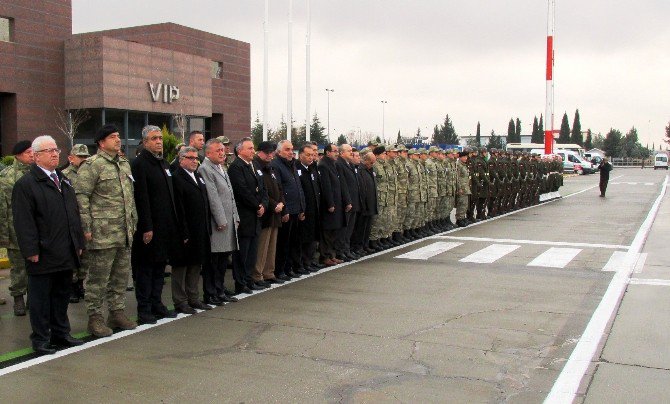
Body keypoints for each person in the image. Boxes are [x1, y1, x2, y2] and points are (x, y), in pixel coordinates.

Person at [12, 135, 85, 355]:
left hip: (65, 250)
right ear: (35, 156)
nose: (55, 154)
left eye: (56, 150)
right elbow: (23, 221)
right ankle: (41, 338)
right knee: (40, 300)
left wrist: (78, 242)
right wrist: (31, 250)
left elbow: (73, 214)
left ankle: (61, 334)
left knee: (61, 296)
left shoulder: (63, 179)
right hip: (43, 253)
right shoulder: (26, 184)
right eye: (49, 151)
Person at [75, 124, 138, 337]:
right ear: (101, 142)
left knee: (121, 276)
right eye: (113, 137)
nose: (118, 140)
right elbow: (81, 196)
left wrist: (134, 222)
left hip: (124, 231)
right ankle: (95, 318)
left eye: (119, 136)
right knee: (98, 280)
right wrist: (86, 228)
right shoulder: (92, 165)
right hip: (102, 233)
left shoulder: (123, 163)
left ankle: (116, 312)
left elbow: (129, 197)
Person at [131, 125, 181, 324]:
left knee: (160, 268)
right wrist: (147, 227)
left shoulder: (164, 164)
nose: (159, 141)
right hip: (149, 228)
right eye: (154, 138)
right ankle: (144, 309)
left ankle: (156, 303)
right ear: (145, 142)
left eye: (160, 138)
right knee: (146, 269)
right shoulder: (140, 164)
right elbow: (141, 197)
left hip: (165, 227)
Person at [171, 147, 214, 314]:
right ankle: (180, 301)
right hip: (186, 230)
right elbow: (179, 208)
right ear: (181, 159)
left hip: (200, 229)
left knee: (196, 264)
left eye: (196, 158)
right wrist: (184, 232)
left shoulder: (197, 176)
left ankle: (193, 297)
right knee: (181, 267)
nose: (195, 161)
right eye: (190, 158)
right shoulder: (177, 178)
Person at [198, 138, 239, 304]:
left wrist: (235, 216)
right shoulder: (205, 169)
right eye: (218, 151)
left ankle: (220, 289)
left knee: (223, 260)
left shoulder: (221, 167)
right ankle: (211, 292)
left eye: (223, 150)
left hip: (228, 221)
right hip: (218, 224)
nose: (222, 153)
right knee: (213, 261)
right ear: (208, 153)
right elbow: (213, 197)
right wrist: (221, 220)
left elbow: (230, 195)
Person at [227, 138, 269, 294]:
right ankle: (240, 282)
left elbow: (263, 188)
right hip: (245, 216)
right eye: (250, 148)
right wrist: (257, 205)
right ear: (240, 151)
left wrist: (264, 204)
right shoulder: (236, 167)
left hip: (256, 216)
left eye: (253, 148)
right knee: (242, 252)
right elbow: (242, 190)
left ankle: (249, 279)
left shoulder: (254, 165)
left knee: (252, 252)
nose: (253, 151)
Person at [0, 140, 34, 315]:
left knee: (36, 265)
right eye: (28, 152)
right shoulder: (7, 177)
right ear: (18, 155)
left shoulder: (37, 173)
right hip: (16, 230)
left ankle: (33, 297)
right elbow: (3, 208)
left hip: (36, 229)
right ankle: (18, 298)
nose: (32, 155)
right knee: (19, 267)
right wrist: (4, 235)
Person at [270, 140, 307, 277]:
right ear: (278, 152)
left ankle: (289, 267)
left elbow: (298, 187)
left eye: (291, 149)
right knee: (283, 243)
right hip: (286, 211)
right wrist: (284, 210)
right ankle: (280, 270)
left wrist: (302, 207)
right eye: (287, 149)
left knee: (293, 242)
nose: (291, 152)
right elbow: (279, 190)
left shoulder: (291, 165)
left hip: (296, 209)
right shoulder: (276, 165)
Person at [61, 143, 90, 303]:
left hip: (86, 221)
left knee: (85, 258)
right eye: (80, 156)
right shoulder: (64, 175)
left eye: (86, 156)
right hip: (71, 222)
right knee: (73, 256)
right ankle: (72, 286)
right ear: (71, 158)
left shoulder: (90, 173)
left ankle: (80, 284)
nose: (84, 159)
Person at [253, 141, 285, 285]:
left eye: (272, 153)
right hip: (266, 212)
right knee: (262, 246)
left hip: (276, 212)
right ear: (259, 152)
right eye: (267, 153)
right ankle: (258, 274)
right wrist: (274, 205)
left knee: (271, 246)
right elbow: (262, 190)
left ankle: (269, 272)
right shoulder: (256, 166)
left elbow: (279, 188)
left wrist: (282, 203)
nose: (270, 155)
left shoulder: (270, 167)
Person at [318, 144, 350, 265]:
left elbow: (340, 185)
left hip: (337, 204)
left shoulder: (334, 164)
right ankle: (325, 256)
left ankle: (332, 255)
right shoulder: (323, 166)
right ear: (327, 152)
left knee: (334, 232)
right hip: (329, 206)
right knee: (327, 233)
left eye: (337, 151)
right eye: (334, 151)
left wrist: (346, 201)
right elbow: (326, 187)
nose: (337, 153)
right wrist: (330, 203)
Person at [296, 143, 322, 272]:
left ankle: (309, 261)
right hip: (304, 210)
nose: (311, 157)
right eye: (308, 155)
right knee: (303, 238)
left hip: (314, 209)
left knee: (312, 236)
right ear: (300, 155)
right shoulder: (297, 168)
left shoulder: (312, 168)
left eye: (312, 155)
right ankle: (301, 262)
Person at [335, 144, 359, 260]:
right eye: (349, 151)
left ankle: (346, 249)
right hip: (347, 203)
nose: (352, 153)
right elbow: (343, 185)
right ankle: (341, 251)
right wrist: (348, 201)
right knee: (344, 230)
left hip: (353, 202)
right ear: (341, 153)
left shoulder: (349, 164)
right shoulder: (339, 164)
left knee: (349, 229)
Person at [455, 151, 471, 227]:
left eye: (466, 157)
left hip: (466, 188)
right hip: (461, 188)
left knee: (465, 204)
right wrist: (459, 188)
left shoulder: (464, 165)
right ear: (460, 157)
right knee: (461, 204)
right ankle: (459, 219)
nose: (466, 158)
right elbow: (457, 178)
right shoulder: (458, 165)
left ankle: (462, 217)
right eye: (464, 157)